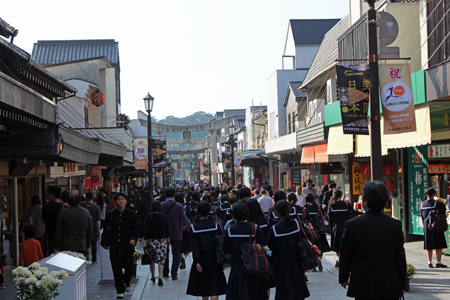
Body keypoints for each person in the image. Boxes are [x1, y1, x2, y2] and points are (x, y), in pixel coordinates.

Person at [339, 181, 406, 299]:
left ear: (365, 201)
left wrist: (343, 276)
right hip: (389, 282)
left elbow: (346, 254)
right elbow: (400, 257)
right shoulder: (395, 225)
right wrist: (402, 283)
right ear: (385, 202)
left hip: (363, 282)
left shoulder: (353, 225)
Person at [267, 200, 310, 300]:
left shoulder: (274, 229)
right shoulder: (298, 224)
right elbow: (308, 238)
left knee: (284, 290)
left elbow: (270, 248)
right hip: (297, 262)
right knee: (297, 288)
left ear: (276, 213)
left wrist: (270, 262)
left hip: (282, 264)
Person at [223, 202, 267, 300]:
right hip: (254, 266)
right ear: (247, 214)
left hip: (238, 267)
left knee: (238, 294)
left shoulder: (230, 230)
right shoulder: (255, 228)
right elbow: (262, 244)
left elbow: (226, 249)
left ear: (234, 215)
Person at [102, 192, 140, 299]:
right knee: (116, 268)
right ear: (115, 202)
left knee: (129, 268)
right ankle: (119, 289)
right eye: (118, 199)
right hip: (115, 245)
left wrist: (134, 238)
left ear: (126, 201)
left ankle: (127, 281)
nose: (121, 201)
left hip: (127, 245)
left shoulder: (131, 214)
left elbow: (136, 228)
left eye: (123, 199)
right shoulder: (110, 214)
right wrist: (105, 242)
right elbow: (106, 229)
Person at [186, 201, 227, 300]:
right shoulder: (215, 225)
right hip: (215, 258)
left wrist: (197, 261)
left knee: (204, 286)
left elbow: (194, 246)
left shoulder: (193, 227)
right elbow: (221, 242)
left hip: (202, 258)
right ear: (209, 211)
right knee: (214, 285)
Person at [54, 190, 92, 256]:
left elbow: (58, 232)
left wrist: (56, 247)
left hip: (66, 246)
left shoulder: (63, 213)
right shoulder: (86, 213)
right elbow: (89, 232)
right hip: (81, 246)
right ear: (80, 200)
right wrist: (87, 246)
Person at [161, 187, 187, 280]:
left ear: (165, 195)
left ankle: (165, 272)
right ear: (174, 195)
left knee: (165, 253)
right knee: (176, 253)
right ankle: (174, 273)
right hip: (176, 232)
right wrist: (183, 226)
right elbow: (184, 221)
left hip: (164, 234)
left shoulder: (161, 205)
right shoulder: (179, 206)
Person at [421, 188, 448, 268]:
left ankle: (429, 262)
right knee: (439, 244)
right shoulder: (437, 203)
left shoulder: (423, 204)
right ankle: (438, 262)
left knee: (428, 244)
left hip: (426, 225)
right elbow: (443, 212)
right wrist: (443, 204)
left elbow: (422, 216)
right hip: (436, 225)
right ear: (433, 194)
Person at [144, 201, 169, 286]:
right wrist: (168, 238)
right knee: (161, 259)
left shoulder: (148, 216)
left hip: (151, 240)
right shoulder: (163, 216)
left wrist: (145, 240)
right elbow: (166, 228)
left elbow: (146, 229)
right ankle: (160, 277)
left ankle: (153, 275)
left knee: (152, 258)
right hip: (161, 240)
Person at [304, 193, 331, 271]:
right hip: (320, 230)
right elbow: (323, 216)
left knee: (312, 246)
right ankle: (319, 260)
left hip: (311, 231)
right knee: (320, 247)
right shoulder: (318, 207)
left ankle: (315, 263)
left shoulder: (305, 208)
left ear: (305, 199)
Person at [327, 189, 352, 268]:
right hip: (346, 226)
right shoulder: (346, 204)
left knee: (336, 245)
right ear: (341, 196)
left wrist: (331, 226)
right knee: (345, 244)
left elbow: (329, 217)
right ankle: (344, 260)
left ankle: (338, 259)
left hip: (335, 227)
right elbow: (352, 214)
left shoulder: (331, 205)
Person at [41, 185, 64, 256]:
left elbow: (43, 221)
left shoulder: (45, 208)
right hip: (62, 239)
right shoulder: (64, 208)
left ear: (52, 195)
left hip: (50, 238)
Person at [81, 192, 101, 264]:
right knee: (94, 244)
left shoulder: (82, 206)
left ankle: (85, 258)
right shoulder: (96, 207)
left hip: (84, 227)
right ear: (93, 198)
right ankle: (94, 259)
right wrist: (99, 229)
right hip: (94, 227)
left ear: (86, 198)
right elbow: (98, 219)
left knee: (85, 243)